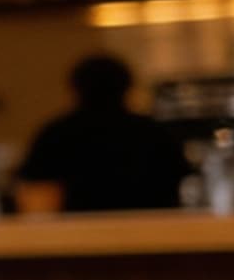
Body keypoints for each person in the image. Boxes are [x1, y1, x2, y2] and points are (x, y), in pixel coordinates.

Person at [18, 53, 190, 213]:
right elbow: (182, 183)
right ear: (128, 87)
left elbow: (38, 194)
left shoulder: (56, 133)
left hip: (78, 234)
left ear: (75, 88)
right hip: (156, 231)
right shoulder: (154, 131)